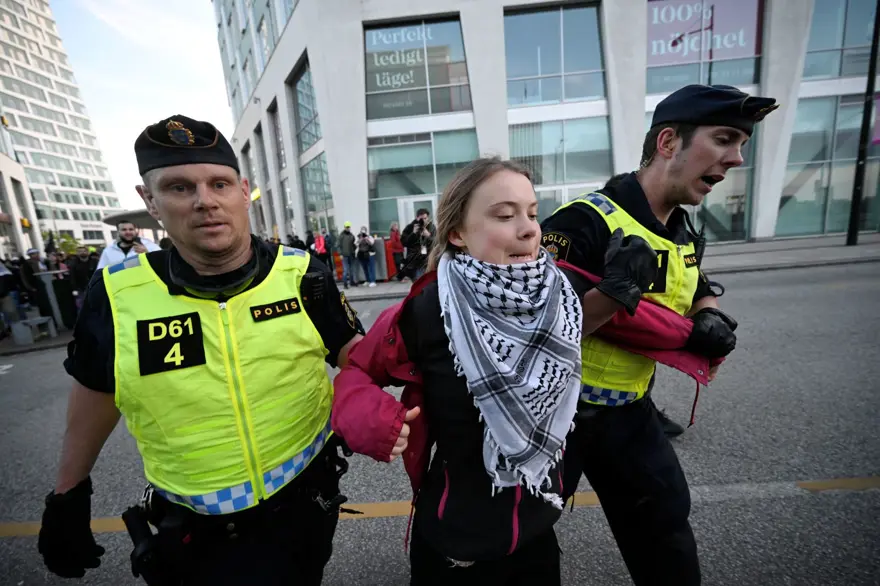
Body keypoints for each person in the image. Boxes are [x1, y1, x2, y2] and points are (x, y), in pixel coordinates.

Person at [37, 115, 365, 586]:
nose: (205, 201)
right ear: (149, 201)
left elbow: (355, 355)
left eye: (219, 184)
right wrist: (68, 497)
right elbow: (96, 393)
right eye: (179, 187)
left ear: (244, 190)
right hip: (192, 530)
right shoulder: (116, 294)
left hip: (304, 504)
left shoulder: (302, 273)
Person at [540, 84, 773, 585]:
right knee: (523, 541)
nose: (735, 159)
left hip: (629, 411)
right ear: (669, 142)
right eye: (726, 139)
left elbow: (695, 284)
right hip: (556, 415)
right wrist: (613, 293)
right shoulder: (582, 222)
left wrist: (709, 314)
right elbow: (535, 325)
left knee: (665, 533)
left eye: (742, 145)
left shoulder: (684, 228)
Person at [332, 158, 583, 585]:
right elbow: (355, 375)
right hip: (453, 541)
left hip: (538, 530)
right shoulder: (427, 309)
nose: (528, 229)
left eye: (532, 212)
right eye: (505, 215)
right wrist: (372, 420)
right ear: (457, 234)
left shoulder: (562, 295)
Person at [96, 220, 161, 269]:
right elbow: (100, 272)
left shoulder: (150, 246)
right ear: (118, 232)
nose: (128, 232)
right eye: (124, 230)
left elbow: (162, 264)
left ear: (135, 231)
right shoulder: (108, 251)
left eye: (131, 229)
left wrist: (148, 254)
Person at [400, 208, 435, 280]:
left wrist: (428, 236)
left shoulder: (431, 227)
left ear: (428, 218)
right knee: (419, 282)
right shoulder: (410, 227)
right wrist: (413, 233)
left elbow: (436, 242)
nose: (423, 221)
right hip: (415, 261)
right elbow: (404, 243)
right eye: (421, 219)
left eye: (425, 218)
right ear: (417, 218)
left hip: (428, 259)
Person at [338, 221, 357, 288]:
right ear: (345, 227)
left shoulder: (351, 235)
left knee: (351, 269)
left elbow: (353, 243)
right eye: (347, 227)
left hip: (351, 254)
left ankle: (352, 282)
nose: (348, 228)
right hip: (345, 255)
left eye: (349, 227)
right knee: (346, 270)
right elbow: (339, 245)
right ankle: (345, 283)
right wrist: (340, 254)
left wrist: (355, 248)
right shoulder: (341, 236)